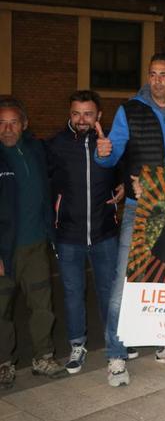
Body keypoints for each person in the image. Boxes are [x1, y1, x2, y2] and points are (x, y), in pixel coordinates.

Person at [95, 52, 165, 384]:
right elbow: (111, 155)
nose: (158, 80)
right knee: (124, 284)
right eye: (153, 74)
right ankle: (115, 354)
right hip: (138, 209)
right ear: (149, 76)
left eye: (164, 75)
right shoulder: (130, 110)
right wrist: (103, 154)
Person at [46, 91, 123, 375]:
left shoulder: (110, 143)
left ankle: (114, 342)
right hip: (68, 236)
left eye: (88, 114)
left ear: (99, 116)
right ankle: (77, 345)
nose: (81, 120)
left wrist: (124, 186)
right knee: (72, 294)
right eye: (76, 113)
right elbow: (47, 187)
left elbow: (125, 171)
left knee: (109, 292)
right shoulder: (55, 145)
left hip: (104, 233)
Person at [0, 97, 67, 389]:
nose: (7, 129)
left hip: (37, 243)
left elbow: (67, 161)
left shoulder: (37, 150)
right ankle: (4, 363)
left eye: (13, 122)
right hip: (4, 250)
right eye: (1, 123)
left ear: (24, 124)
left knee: (42, 305)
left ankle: (43, 357)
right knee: (1, 309)